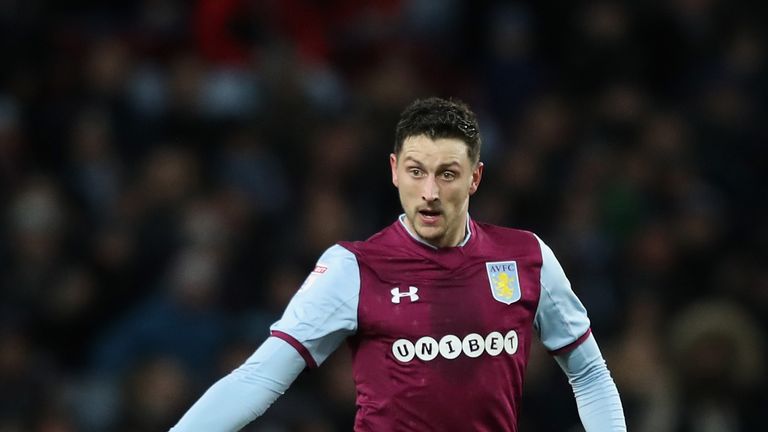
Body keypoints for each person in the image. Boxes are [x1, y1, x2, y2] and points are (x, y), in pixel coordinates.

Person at [171, 97, 626, 431]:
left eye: (447, 174)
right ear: (393, 171)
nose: (429, 191)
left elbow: (588, 373)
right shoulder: (354, 268)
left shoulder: (526, 257)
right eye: (415, 171)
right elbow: (259, 377)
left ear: (475, 178)